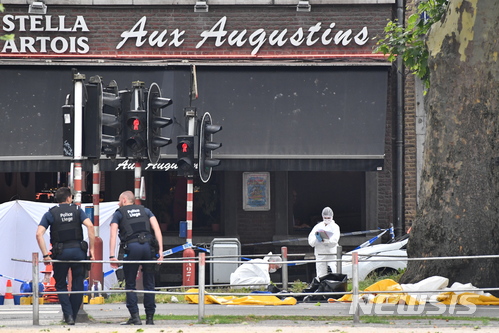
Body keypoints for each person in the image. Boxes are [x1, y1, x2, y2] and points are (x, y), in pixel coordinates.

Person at [35, 187, 95, 325]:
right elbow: (90, 226)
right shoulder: (77, 210)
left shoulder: (51, 213)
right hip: (78, 251)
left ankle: (67, 315)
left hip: (60, 253)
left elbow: (39, 234)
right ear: (69, 198)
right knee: (78, 283)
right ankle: (73, 315)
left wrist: (45, 255)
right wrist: (91, 249)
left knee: (61, 284)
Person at [109, 191, 164, 325]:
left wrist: (112, 256)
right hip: (148, 248)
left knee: (130, 283)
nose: (118, 203)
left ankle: (135, 317)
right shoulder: (146, 211)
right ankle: (150, 318)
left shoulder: (119, 213)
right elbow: (157, 229)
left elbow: (113, 234)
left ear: (124, 200)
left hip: (132, 248)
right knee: (149, 283)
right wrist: (161, 251)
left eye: (119, 200)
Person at [308, 207, 340, 278]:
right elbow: (311, 240)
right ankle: (322, 288)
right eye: (325, 218)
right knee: (320, 274)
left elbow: (334, 240)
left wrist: (327, 241)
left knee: (334, 270)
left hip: (332, 254)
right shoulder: (318, 226)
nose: (327, 219)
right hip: (320, 254)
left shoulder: (335, 227)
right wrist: (317, 239)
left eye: (329, 218)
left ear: (332, 217)